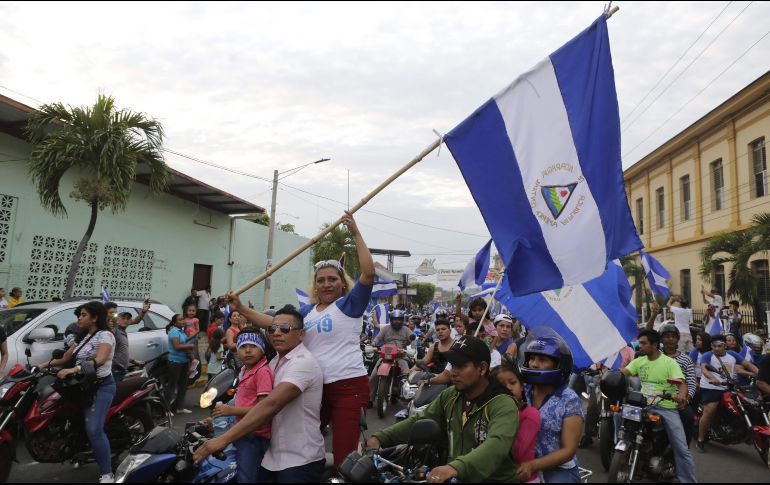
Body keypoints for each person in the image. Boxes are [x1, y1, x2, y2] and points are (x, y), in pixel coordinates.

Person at [222, 211, 375, 469]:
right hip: (313, 385)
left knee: (344, 454)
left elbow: (368, 274)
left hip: (348, 385)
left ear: (342, 283)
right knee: (302, 442)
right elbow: (273, 323)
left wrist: (356, 233)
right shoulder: (306, 312)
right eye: (321, 280)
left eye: (332, 280)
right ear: (315, 285)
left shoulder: (350, 304)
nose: (326, 284)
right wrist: (242, 308)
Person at [194, 306, 325, 482]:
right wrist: (217, 418)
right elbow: (247, 398)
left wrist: (223, 439)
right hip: (272, 455)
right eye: (272, 329)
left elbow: (270, 405)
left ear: (301, 334)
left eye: (285, 329)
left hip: (299, 459)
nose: (277, 333)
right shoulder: (273, 363)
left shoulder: (302, 363)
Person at [367, 336, 519, 483]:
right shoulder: (450, 395)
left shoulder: (503, 404)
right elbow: (419, 420)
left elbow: (496, 445)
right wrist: (381, 437)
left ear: (482, 368)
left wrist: (455, 467)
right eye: (453, 365)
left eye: (461, 366)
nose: (453, 372)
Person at [38, 301, 116, 483]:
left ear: (95, 318)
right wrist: (41, 366)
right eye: (79, 315)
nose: (79, 318)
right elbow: (66, 357)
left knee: (94, 429)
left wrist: (74, 370)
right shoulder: (82, 336)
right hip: (81, 386)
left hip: (101, 386)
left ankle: (107, 473)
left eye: (83, 315)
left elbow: (101, 359)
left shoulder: (106, 335)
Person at [622, 329, 696, 483]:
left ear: (654, 345)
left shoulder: (670, 363)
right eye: (639, 342)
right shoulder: (639, 361)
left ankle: (688, 480)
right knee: (618, 417)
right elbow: (623, 373)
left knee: (681, 448)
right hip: (643, 406)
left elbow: (682, 384)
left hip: (666, 407)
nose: (639, 346)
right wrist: (609, 377)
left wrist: (682, 396)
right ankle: (625, 456)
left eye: (643, 343)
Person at [516, 327, 583, 483]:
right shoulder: (522, 390)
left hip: (557, 470)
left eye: (542, 360)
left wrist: (533, 465)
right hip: (520, 462)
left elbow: (568, 450)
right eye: (532, 358)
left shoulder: (569, 400)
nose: (534, 364)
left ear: (558, 364)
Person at [210, 328, 274, 483]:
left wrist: (231, 410)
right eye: (243, 347)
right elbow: (241, 399)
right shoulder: (245, 370)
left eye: (253, 346)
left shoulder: (262, 372)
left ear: (262, 349)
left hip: (254, 435)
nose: (248, 351)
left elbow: (263, 409)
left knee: (246, 477)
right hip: (243, 431)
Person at [696, 333, 758, 453]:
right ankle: (700, 439)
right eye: (714, 346)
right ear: (711, 346)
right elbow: (704, 369)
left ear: (725, 346)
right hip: (710, 387)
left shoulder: (733, 355)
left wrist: (759, 373)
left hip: (728, 387)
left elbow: (748, 365)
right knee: (710, 411)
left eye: (719, 346)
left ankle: (741, 431)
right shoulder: (707, 355)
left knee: (745, 404)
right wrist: (712, 378)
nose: (717, 348)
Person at [492, 362, 541, 483]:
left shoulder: (530, 414)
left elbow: (517, 452)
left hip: (523, 478)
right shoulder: (490, 412)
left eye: (512, 382)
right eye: (501, 385)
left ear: (522, 385)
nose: (508, 388)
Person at [659, 323, 697, 445]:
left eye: (673, 336)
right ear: (661, 338)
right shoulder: (655, 356)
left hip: (678, 399)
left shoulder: (686, 359)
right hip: (655, 397)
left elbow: (691, 382)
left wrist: (685, 400)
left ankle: (684, 447)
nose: (670, 339)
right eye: (667, 336)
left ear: (677, 339)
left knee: (688, 417)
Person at [108, 301, 150, 383]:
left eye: (128, 319)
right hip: (114, 370)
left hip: (121, 370)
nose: (126, 320)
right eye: (123, 318)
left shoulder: (123, 331)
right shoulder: (114, 330)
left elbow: (136, 321)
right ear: (117, 320)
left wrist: (134, 361)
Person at [166, 314, 195, 415]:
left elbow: (185, 343)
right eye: (181, 320)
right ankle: (167, 410)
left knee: (183, 385)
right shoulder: (174, 331)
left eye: (183, 319)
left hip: (184, 361)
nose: (183, 321)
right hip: (175, 362)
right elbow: (177, 346)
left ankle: (180, 407)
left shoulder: (182, 331)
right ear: (174, 323)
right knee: (172, 385)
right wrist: (190, 345)